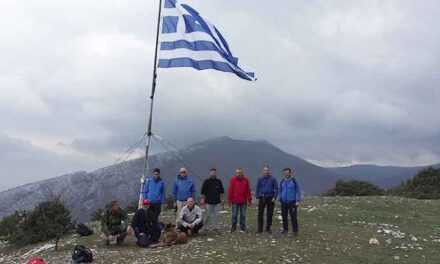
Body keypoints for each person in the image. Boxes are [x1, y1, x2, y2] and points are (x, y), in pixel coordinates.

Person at [227, 168, 252, 232]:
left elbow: (248, 191)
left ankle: (242, 227)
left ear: (242, 173)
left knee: (243, 215)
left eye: (240, 172)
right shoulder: (233, 180)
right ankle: (233, 227)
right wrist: (229, 200)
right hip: (235, 201)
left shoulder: (246, 180)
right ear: (236, 173)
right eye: (237, 173)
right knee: (234, 215)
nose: (238, 174)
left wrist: (249, 200)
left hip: (243, 201)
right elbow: (230, 190)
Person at [279, 168, 302, 235]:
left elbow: (298, 191)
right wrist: (280, 198)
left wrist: (297, 200)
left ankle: (295, 231)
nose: (286, 174)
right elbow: (280, 190)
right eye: (285, 173)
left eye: (287, 172)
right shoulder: (282, 181)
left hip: (292, 202)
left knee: (293, 217)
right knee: (284, 216)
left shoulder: (294, 181)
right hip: (283, 202)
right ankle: (285, 230)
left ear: (290, 173)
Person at [256, 166, 278, 233]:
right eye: (265, 170)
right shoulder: (260, 179)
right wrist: (258, 196)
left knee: (270, 214)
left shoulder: (273, 179)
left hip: (270, 198)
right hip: (262, 197)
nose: (266, 172)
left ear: (269, 171)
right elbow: (258, 188)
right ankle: (260, 229)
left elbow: (276, 189)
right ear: (263, 171)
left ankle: (268, 228)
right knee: (260, 214)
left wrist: (274, 197)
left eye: (267, 170)